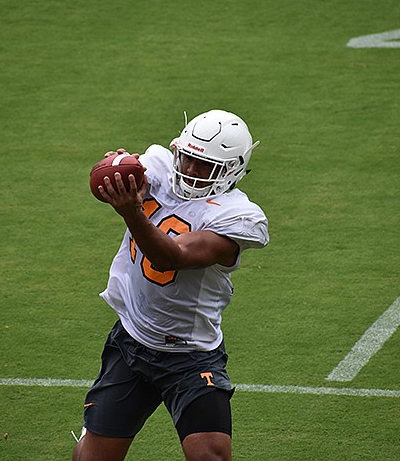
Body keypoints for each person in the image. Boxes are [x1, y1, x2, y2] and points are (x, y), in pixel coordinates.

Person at [73, 109, 269, 461]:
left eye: (204, 166)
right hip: (132, 341)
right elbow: (113, 177)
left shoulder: (236, 216)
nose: (191, 171)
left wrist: (132, 212)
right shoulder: (159, 168)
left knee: (212, 457)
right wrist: (115, 172)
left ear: (232, 171)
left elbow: (172, 257)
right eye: (188, 158)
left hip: (190, 355)